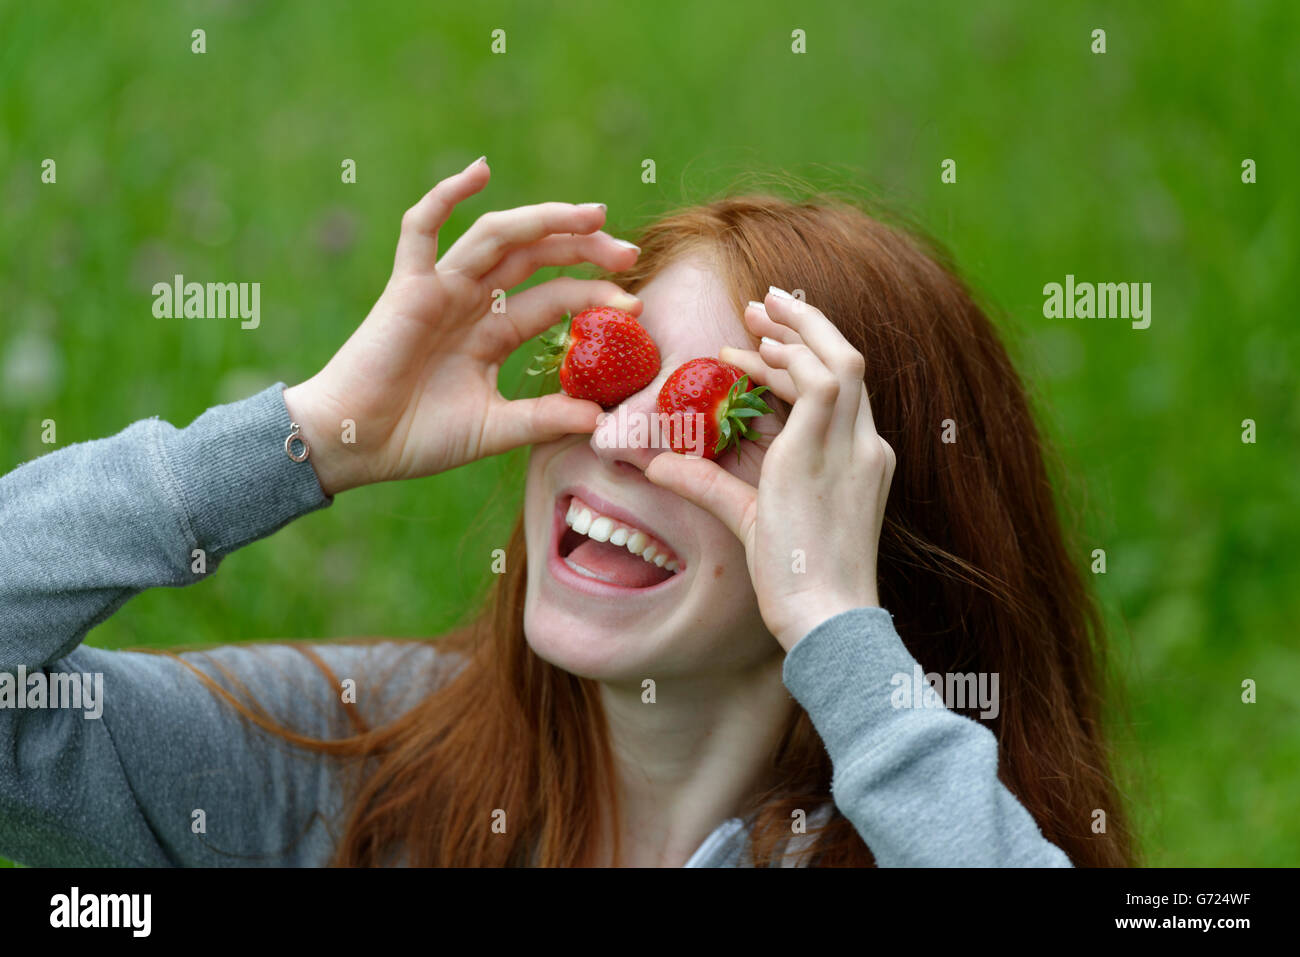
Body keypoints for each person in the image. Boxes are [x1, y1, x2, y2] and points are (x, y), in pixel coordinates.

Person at [0, 156, 1133, 867]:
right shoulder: (349, 763)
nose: (626, 441)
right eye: (610, 379)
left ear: (863, 527)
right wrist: (311, 433)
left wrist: (841, 637)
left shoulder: (918, 830)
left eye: (728, 426)